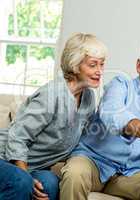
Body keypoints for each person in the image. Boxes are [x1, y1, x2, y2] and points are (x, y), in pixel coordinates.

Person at [60, 37, 140, 200]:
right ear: (139, 65)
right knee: (75, 172)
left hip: (128, 175)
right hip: (93, 162)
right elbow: (111, 113)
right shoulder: (121, 84)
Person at [0, 33, 107, 200]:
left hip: (33, 166)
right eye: (93, 65)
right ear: (75, 65)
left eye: (102, 64)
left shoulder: (88, 98)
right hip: (4, 158)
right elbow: (17, 136)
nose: (99, 71)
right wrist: (25, 175)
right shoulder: (52, 95)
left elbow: (86, 138)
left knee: (50, 184)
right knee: (21, 182)